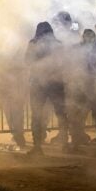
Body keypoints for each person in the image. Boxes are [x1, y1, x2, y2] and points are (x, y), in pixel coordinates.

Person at [26, 21, 67, 155]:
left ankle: (37, 146)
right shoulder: (58, 44)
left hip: (40, 83)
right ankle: (65, 144)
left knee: (37, 115)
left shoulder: (33, 44)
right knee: (61, 114)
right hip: (55, 83)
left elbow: (27, 61)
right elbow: (63, 63)